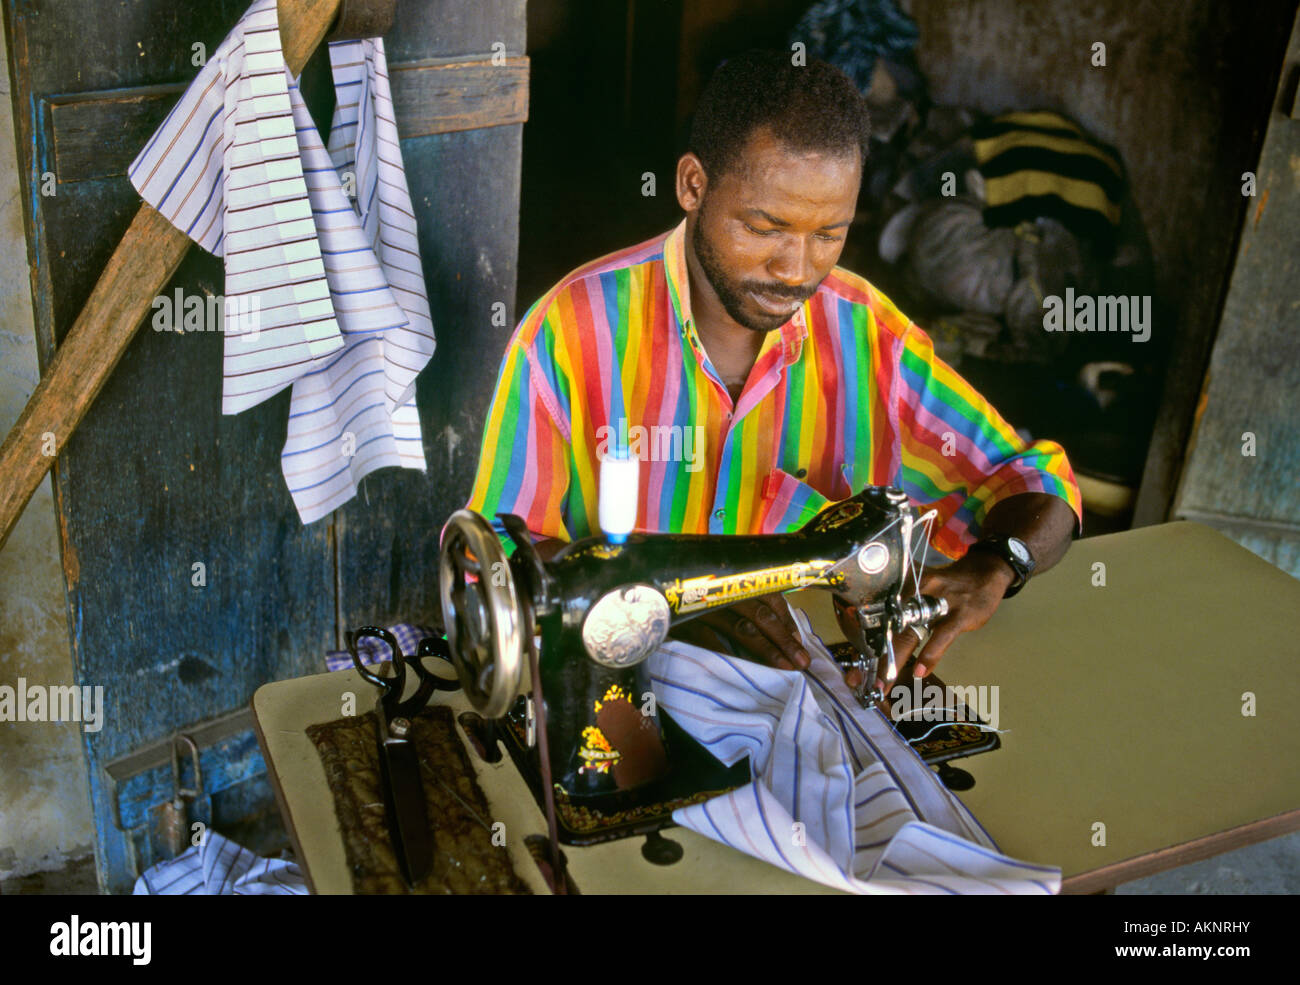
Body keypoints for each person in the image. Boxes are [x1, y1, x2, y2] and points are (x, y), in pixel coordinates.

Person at [466, 50, 1081, 690]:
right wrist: (664, 608)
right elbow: (498, 564)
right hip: (623, 693)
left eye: (828, 234)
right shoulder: (571, 332)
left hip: (795, 686)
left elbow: (1034, 481)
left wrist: (998, 562)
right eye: (766, 228)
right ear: (692, 186)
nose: (796, 269)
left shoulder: (870, 338)